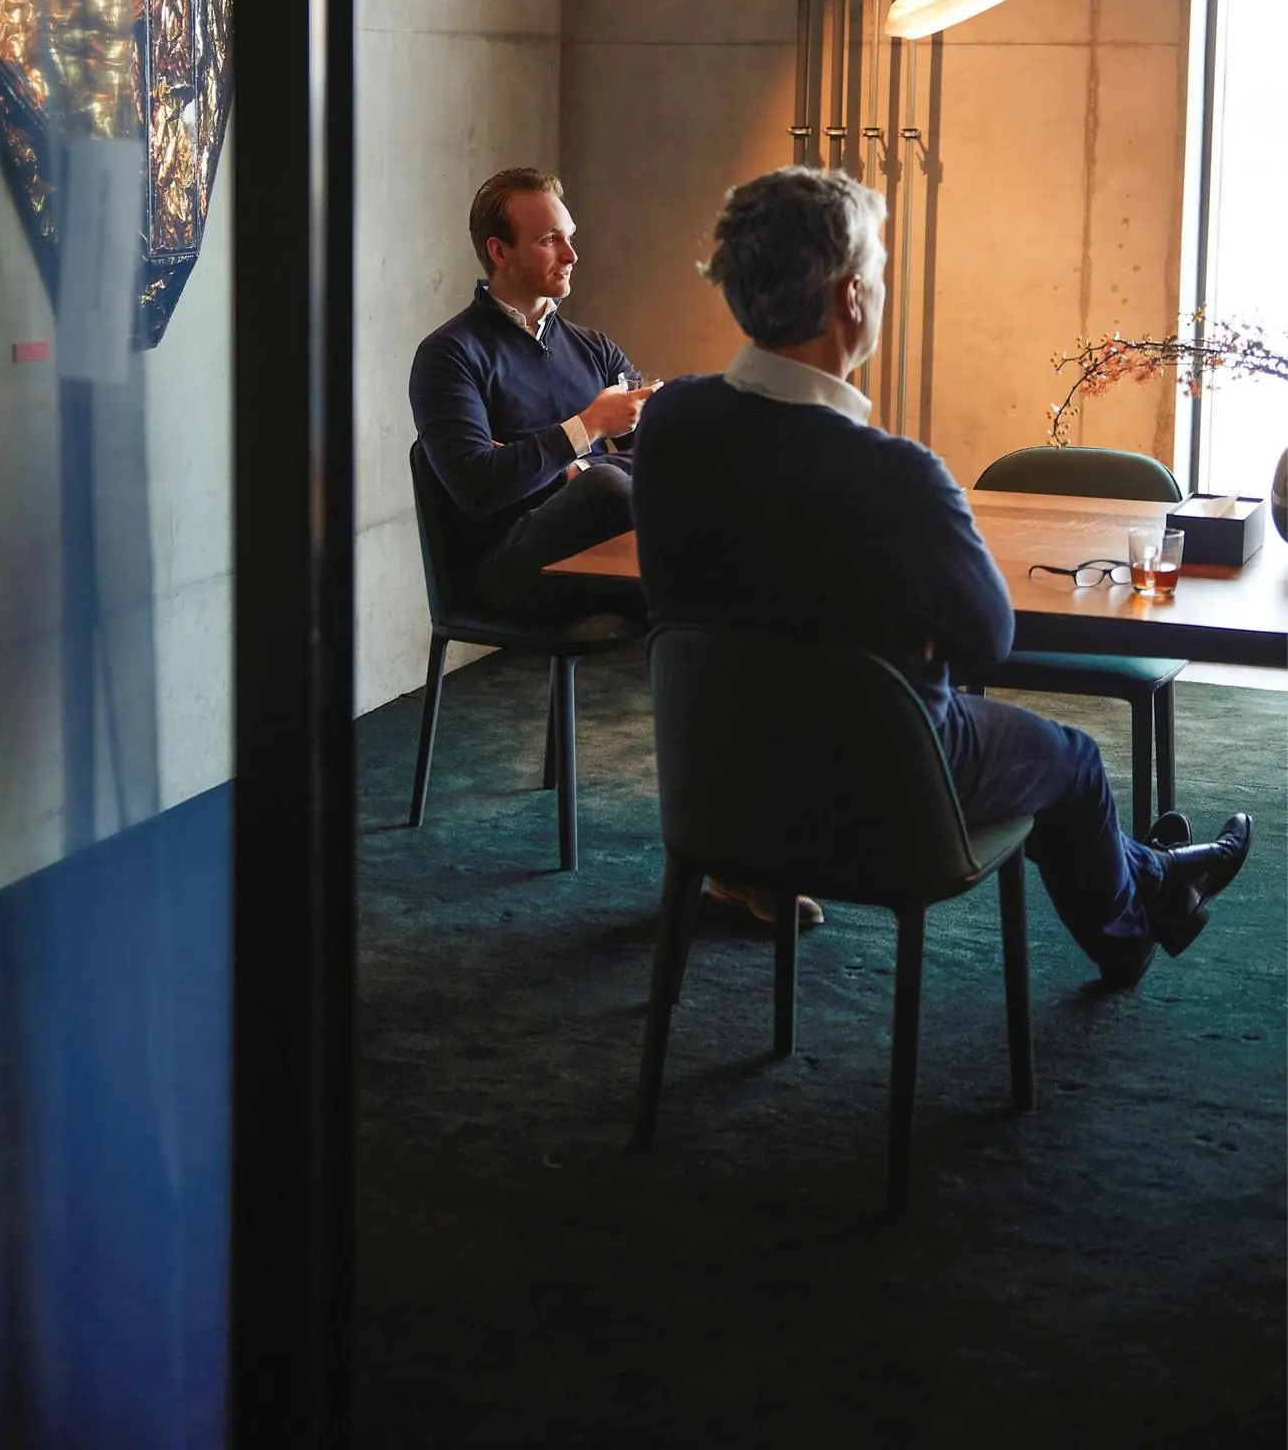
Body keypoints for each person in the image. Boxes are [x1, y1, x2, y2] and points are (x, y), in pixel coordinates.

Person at [632, 166, 1251, 983]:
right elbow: (989, 636)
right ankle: (1134, 931)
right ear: (852, 297)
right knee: (1072, 761)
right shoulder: (895, 475)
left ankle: (1156, 876)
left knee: (1038, 758)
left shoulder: (670, 421)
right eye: (880, 269)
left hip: (718, 789)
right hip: (883, 787)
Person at [410, 167, 655, 626]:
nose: (571, 254)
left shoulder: (596, 349)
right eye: (549, 240)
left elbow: (658, 457)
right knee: (607, 490)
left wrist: (570, 469)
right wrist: (590, 426)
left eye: (569, 237)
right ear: (500, 251)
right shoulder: (447, 355)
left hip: (607, 551)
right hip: (503, 571)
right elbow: (478, 485)